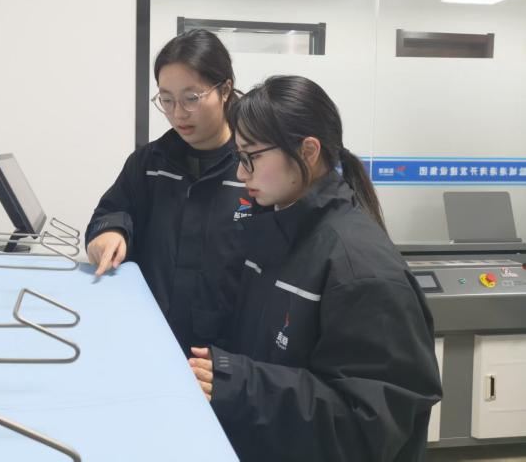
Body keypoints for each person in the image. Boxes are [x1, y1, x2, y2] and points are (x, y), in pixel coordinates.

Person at [189, 75, 442, 461]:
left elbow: (368, 426)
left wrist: (239, 383)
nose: (241, 174)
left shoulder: (360, 268)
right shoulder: (275, 231)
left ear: (307, 151)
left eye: (251, 157)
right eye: (239, 158)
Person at [85, 29, 247, 355]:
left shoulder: (251, 166)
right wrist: (110, 232)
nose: (177, 113)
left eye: (191, 98)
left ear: (225, 89)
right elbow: (113, 210)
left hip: (225, 353)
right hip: (149, 336)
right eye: (167, 99)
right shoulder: (149, 162)